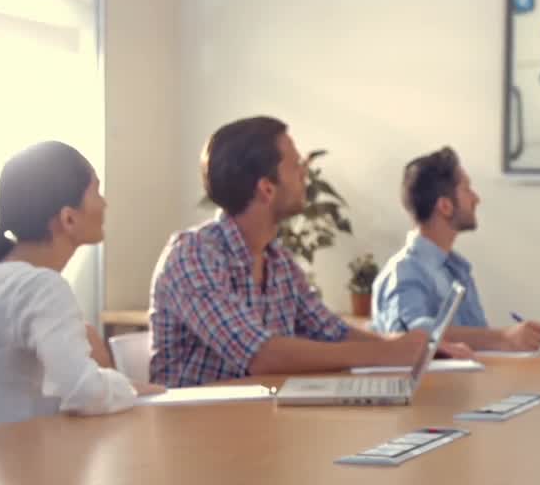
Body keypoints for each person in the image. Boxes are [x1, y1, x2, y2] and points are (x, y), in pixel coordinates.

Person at [149, 117, 443, 388]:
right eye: (295, 165)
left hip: (260, 425)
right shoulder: (192, 255)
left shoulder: (278, 262)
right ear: (266, 188)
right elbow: (262, 355)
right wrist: (386, 354)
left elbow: (333, 331)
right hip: (194, 432)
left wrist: (413, 346)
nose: (305, 173)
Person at [0, 141, 160, 429]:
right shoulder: (42, 286)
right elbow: (83, 393)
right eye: (96, 191)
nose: (104, 203)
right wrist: (127, 387)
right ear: (68, 218)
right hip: (17, 464)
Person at [372, 146, 540, 351]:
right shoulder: (404, 271)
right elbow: (411, 335)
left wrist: (516, 338)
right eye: (467, 189)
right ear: (445, 206)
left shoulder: (457, 269)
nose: (476, 198)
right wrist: (503, 337)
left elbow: (476, 343)